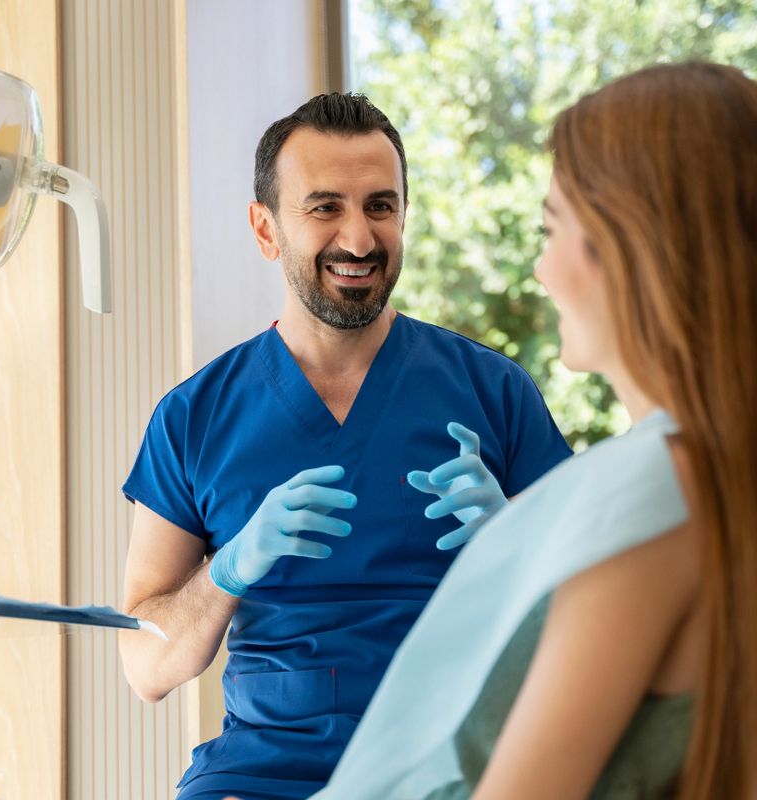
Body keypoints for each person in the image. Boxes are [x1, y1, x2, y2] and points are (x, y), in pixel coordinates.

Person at [304, 62, 757, 800]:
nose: (541, 271)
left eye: (551, 229)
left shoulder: (660, 483)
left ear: (631, 245)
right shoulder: (713, 475)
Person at [118, 93, 571, 800]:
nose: (359, 240)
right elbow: (144, 670)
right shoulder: (192, 418)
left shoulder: (494, 393)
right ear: (265, 229)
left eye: (381, 207)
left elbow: (597, 622)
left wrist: (512, 547)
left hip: (460, 765)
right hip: (260, 778)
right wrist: (227, 572)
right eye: (325, 207)